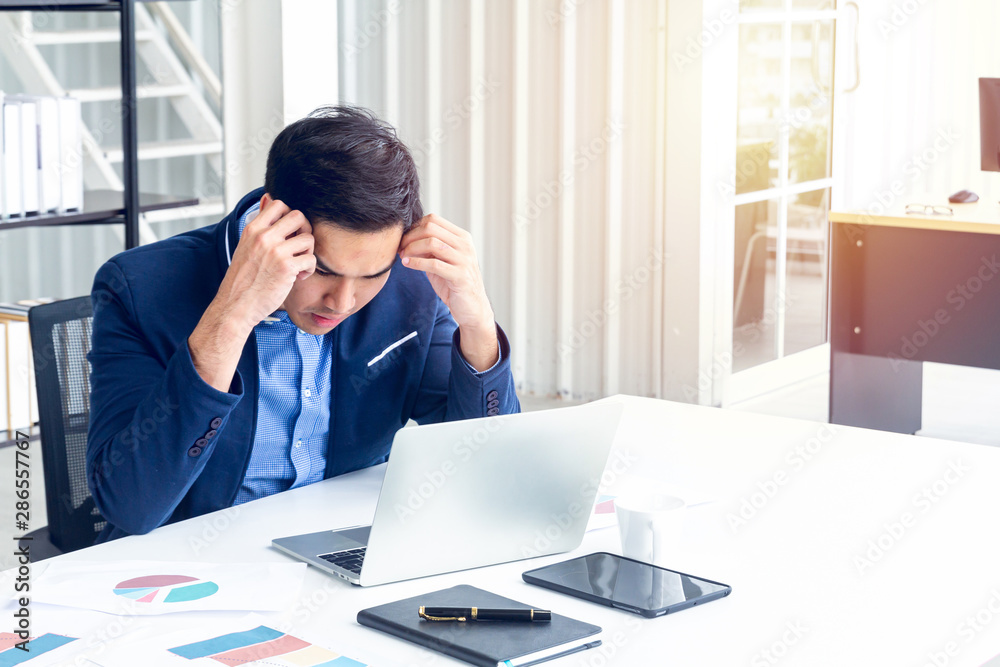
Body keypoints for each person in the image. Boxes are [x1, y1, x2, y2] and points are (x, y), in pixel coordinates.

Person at [86, 106, 519, 542]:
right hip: (192, 566)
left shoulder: (410, 280)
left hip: (339, 550)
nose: (343, 302)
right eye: (324, 271)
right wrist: (233, 316)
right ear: (271, 223)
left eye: (370, 277)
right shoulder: (139, 288)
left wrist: (478, 324)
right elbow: (131, 506)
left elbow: (488, 474)